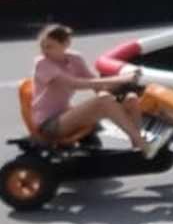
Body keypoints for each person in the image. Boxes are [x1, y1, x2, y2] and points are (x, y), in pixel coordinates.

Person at [28, 23, 156, 153]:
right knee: (103, 100)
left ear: (65, 44)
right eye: (43, 47)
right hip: (49, 124)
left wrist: (119, 94)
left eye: (49, 47)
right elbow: (75, 84)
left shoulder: (74, 59)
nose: (44, 51)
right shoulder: (42, 64)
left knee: (130, 99)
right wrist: (121, 79)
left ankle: (138, 147)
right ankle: (143, 144)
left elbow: (96, 84)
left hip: (66, 115)